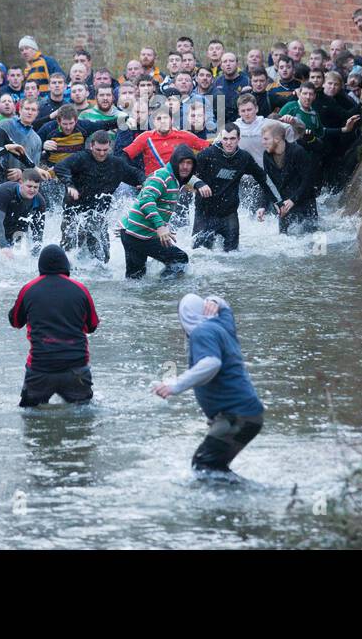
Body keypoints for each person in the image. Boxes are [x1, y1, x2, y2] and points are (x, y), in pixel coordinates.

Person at [152, 293, 264, 478]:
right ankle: (239, 502)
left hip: (236, 417)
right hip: (249, 415)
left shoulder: (200, 333)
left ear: (184, 318)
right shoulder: (222, 324)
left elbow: (211, 363)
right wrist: (214, 300)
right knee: (213, 467)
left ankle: (257, 500)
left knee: (204, 466)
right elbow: (225, 306)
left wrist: (175, 386)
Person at [8, 244, 101, 407]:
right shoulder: (80, 289)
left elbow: (15, 322)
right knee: (82, 420)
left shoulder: (29, 289)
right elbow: (92, 325)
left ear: (40, 266)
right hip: (76, 369)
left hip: (40, 369)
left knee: (31, 419)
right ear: (66, 265)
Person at [54, 130, 144, 264]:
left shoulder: (116, 163)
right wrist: (70, 185)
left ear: (110, 147)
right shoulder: (81, 158)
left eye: (105, 150)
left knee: (102, 256)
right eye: (98, 150)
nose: (101, 153)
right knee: (69, 251)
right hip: (74, 212)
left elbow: (136, 173)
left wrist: (143, 183)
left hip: (98, 215)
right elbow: (60, 167)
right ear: (91, 146)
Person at [118, 143, 207, 279]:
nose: (185, 166)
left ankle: (143, 297)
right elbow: (146, 200)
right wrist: (160, 226)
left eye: (189, 163)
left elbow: (189, 180)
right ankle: (163, 293)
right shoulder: (162, 176)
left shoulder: (176, 178)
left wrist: (199, 184)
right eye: (181, 162)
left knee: (135, 279)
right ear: (174, 162)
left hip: (131, 231)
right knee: (180, 259)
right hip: (137, 233)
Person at [190, 123, 277, 252]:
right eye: (225, 139)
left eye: (232, 139)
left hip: (228, 214)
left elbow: (263, 178)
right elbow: (185, 175)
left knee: (233, 255)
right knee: (201, 254)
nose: (228, 143)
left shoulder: (244, 158)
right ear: (220, 139)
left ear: (239, 139)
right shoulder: (207, 155)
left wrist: (276, 200)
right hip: (205, 213)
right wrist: (199, 184)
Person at [261, 120, 318, 235]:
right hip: (284, 205)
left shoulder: (298, 152)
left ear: (277, 139)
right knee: (284, 240)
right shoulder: (266, 155)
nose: (263, 142)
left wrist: (293, 200)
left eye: (266, 139)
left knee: (309, 240)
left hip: (304, 202)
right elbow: (268, 183)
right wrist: (262, 206)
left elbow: (308, 181)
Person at [0, 170, 47, 255]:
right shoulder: (5, 190)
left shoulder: (40, 201)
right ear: (20, 183)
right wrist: (4, 246)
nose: (32, 190)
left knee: (15, 256)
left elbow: (38, 233)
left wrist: (36, 255)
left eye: (36, 187)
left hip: (18, 229)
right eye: (29, 186)